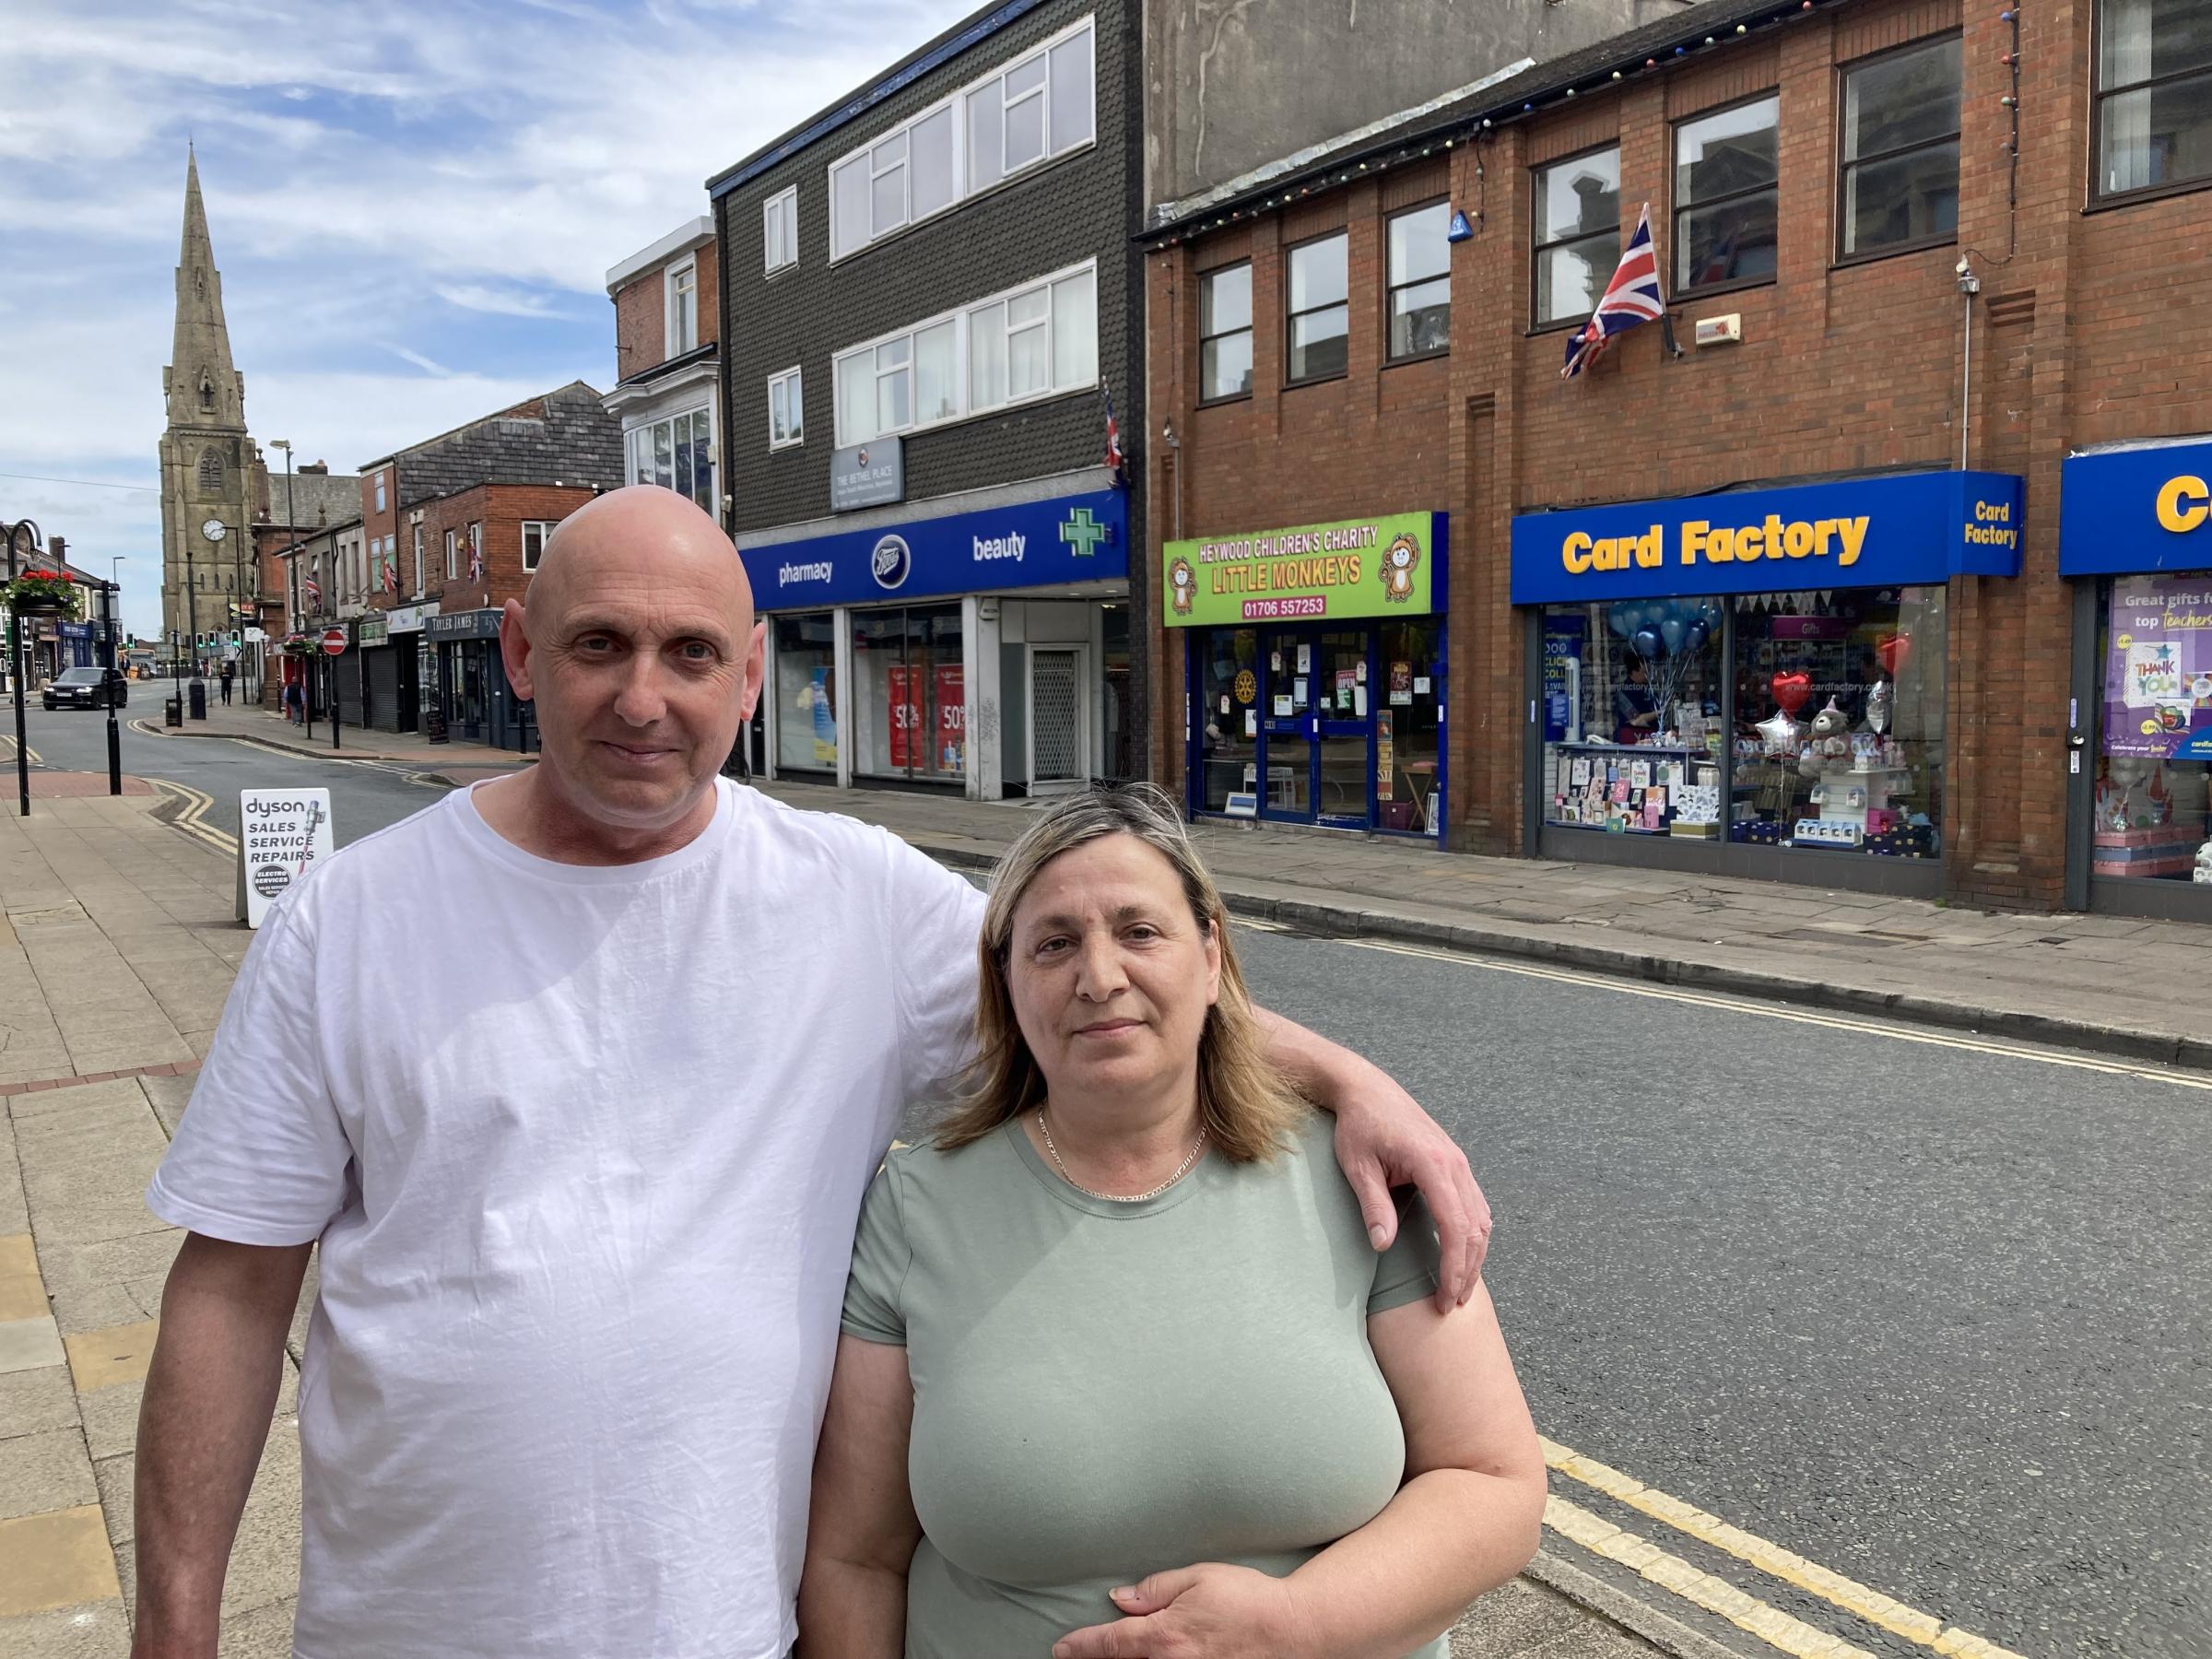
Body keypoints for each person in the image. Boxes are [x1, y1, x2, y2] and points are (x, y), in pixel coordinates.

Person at [131, 487, 1491, 1659]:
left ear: (751, 672)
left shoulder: (851, 896)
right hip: (418, 1621)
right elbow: (235, 1295)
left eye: (690, 652)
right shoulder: (351, 920)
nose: (644, 697)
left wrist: (1360, 1083)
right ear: (520, 652)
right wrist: (175, 1632)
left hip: (730, 1620)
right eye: (599, 644)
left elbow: (1098, 1001)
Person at [800, 786, 1545, 1659]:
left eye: (1140, 931)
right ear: (1005, 984)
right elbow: (856, 1557)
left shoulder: (1355, 1174)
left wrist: (1290, 1626)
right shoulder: (918, 1205)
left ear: (1212, 953)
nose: (1101, 977)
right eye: (1053, 944)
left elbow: (1493, 1482)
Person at [1613, 658, 1659, 744]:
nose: (1647, 675)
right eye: (1644, 672)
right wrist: (1659, 712)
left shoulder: (1649, 689)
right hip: (1631, 741)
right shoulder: (1624, 692)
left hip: (1651, 739)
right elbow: (1635, 720)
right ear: (1634, 671)